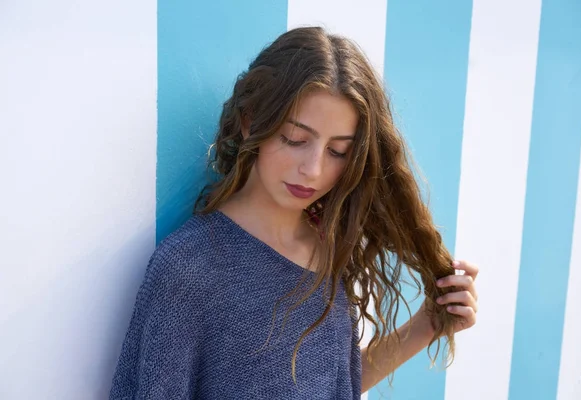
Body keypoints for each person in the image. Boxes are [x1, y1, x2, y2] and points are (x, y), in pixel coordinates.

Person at [109, 26, 479, 399]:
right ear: (251, 120)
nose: (313, 169)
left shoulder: (325, 249)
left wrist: (425, 325)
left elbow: (329, 387)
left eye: (338, 151)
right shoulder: (191, 269)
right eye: (296, 139)